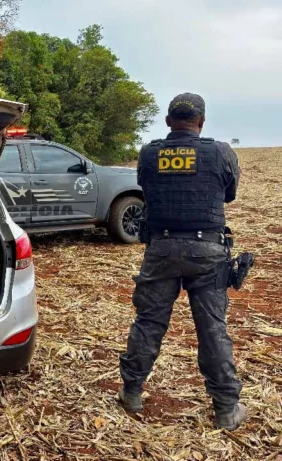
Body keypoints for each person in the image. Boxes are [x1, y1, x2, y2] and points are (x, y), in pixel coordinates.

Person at [118, 93, 245, 430]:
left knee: (148, 322)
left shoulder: (149, 153)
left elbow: (146, 186)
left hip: (161, 248)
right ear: (201, 122)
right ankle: (226, 409)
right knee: (213, 329)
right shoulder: (220, 152)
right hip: (209, 252)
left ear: (167, 121)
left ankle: (131, 392)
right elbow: (229, 194)